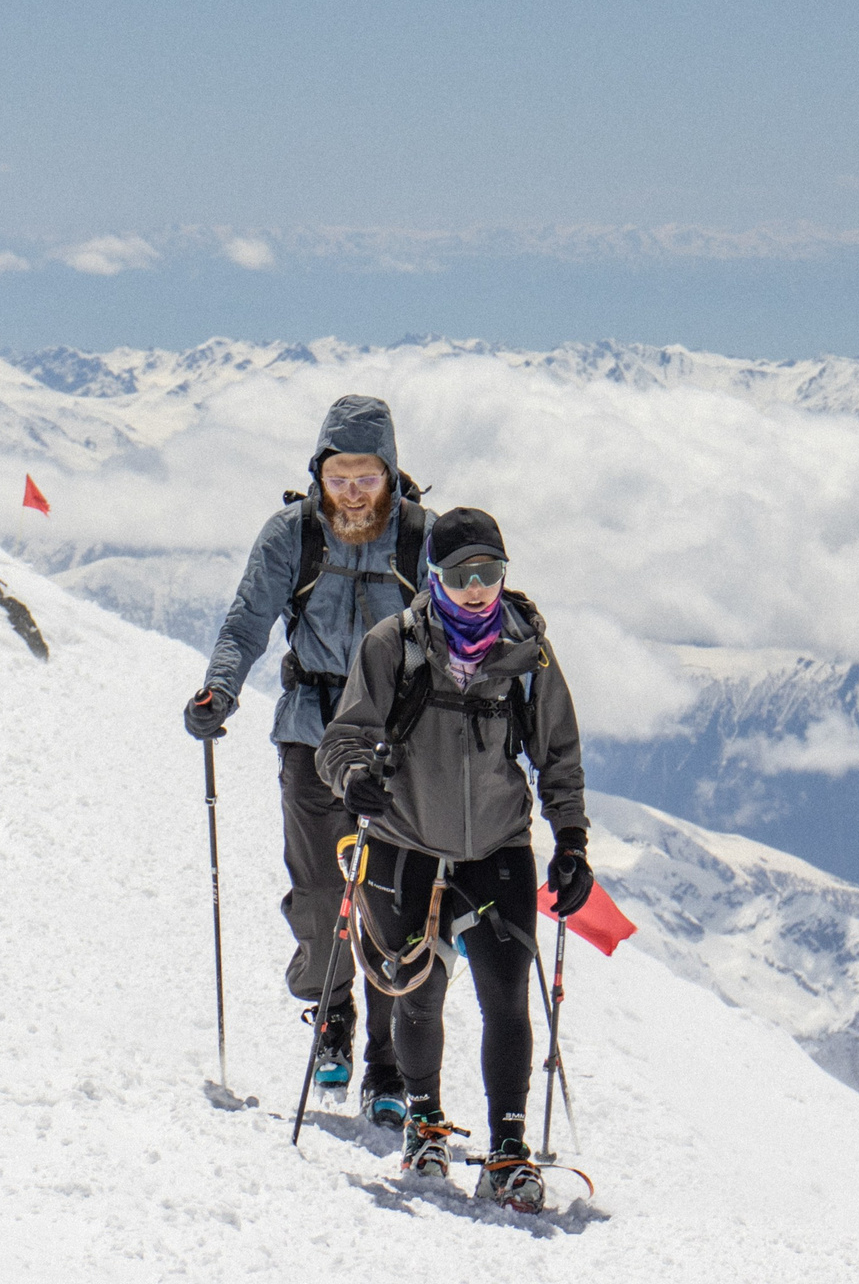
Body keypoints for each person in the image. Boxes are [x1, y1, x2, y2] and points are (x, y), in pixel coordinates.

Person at [316, 507, 594, 1212]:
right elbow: (342, 737)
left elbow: (557, 752)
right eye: (461, 574)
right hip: (405, 841)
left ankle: (508, 1150)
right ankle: (425, 1122)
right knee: (417, 990)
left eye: (489, 573)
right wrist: (353, 778)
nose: (476, 589)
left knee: (506, 993)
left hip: (497, 843)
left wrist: (572, 841)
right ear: (433, 577)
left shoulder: (528, 651)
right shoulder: (395, 645)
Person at [183, 394, 433, 1124]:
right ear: (319, 472)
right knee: (323, 895)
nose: (352, 492)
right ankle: (332, 1016)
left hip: (401, 740)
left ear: (390, 473)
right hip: (311, 733)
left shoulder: (422, 539)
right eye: (339, 477)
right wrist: (219, 691)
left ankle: (386, 1064)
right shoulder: (292, 535)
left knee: (392, 904)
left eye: (366, 477)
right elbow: (247, 619)